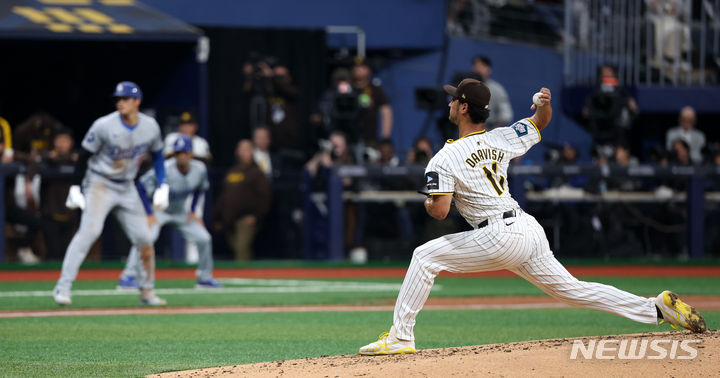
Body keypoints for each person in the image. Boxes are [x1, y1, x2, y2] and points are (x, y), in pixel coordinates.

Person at [358, 78, 706, 356]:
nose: (449, 103)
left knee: (424, 256)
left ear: (463, 108)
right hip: (527, 229)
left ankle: (401, 337)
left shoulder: (444, 157)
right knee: (573, 290)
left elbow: (440, 211)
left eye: (453, 99)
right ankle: (655, 309)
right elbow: (539, 122)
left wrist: (427, 201)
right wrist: (545, 106)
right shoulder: (502, 137)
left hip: (497, 234)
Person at [53, 81, 169, 306]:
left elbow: (158, 155)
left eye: (125, 99)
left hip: (127, 185)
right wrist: (76, 187)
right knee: (89, 232)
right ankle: (62, 287)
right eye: (118, 99)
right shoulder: (104, 125)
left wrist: (163, 184)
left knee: (145, 238)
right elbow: (83, 156)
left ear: (137, 101)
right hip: (100, 182)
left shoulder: (150, 126)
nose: (120, 103)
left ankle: (147, 292)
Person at [118, 135, 220, 290]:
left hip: (180, 211)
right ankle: (128, 276)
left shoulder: (199, 169)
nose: (182, 156)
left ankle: (204, 278)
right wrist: (149, 214)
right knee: (146, 237)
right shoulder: (164, 167)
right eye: (178, 153)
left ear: (191, 154)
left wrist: (193, 211)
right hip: (159, 211)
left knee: (204, 238)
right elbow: (141, 187)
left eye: (185, 152)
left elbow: (201, 189)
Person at [212, 139, 271, 261]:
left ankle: (245, 276)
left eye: (247, 149)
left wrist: (256, 216)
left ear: (252, 152)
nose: (244, 152)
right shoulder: (232, 172)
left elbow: (265, 197)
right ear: (237, 152)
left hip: (246, 219)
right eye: (241, 149)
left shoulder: (257, 172)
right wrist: (217, 217)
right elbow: (224, 196)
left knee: (241, 248)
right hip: (229, 220)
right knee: (236, 248)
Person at [37, 129, 79, 260]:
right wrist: (63, 159)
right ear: (54, 142)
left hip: (70, 213)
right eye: (59, 140)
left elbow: (83, 160)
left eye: (65, 140)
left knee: (67, 253)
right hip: (50, 214)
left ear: (71, 143)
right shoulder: (46, 157)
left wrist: (67, 159)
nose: (62, 144)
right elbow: (42, 159)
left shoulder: (77, 159)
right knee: (52, 253)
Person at [582, 64, 638, 147]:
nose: (605, 74)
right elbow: (588, 108)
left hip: (616, 128)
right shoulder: (596, 92)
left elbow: (632, 107)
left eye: (608, 72)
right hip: (599, 128)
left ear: (613, 73)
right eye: (603, 72)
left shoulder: (620, 91)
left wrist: (632, 107)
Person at [352, 62, 393, 150]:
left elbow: (386, 112)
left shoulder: (375, 89)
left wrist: (385, 137)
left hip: (370, 136)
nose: (358, 69)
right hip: (350, 135)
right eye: (356, 67)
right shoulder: (348, 88)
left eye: (362, 67)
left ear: (368, 70)